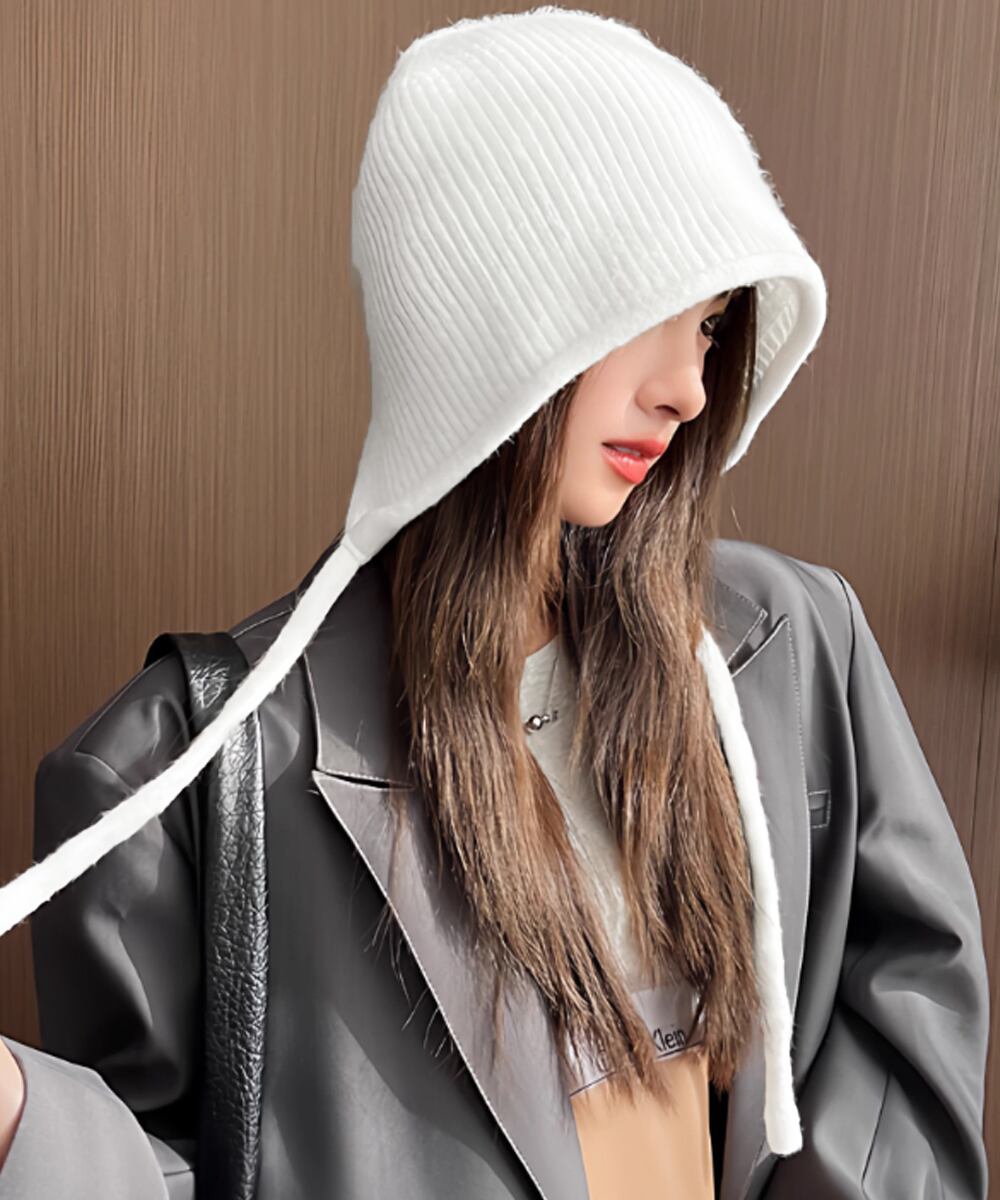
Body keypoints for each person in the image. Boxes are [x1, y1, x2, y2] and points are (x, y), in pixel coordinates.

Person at [0, 6, 990, 1199]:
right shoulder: (182, 774)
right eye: (646, 310)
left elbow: (906, 1019)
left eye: (711, 325)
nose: (687, 386)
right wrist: (15, 1121)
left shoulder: (790, 651)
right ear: (482, 310)